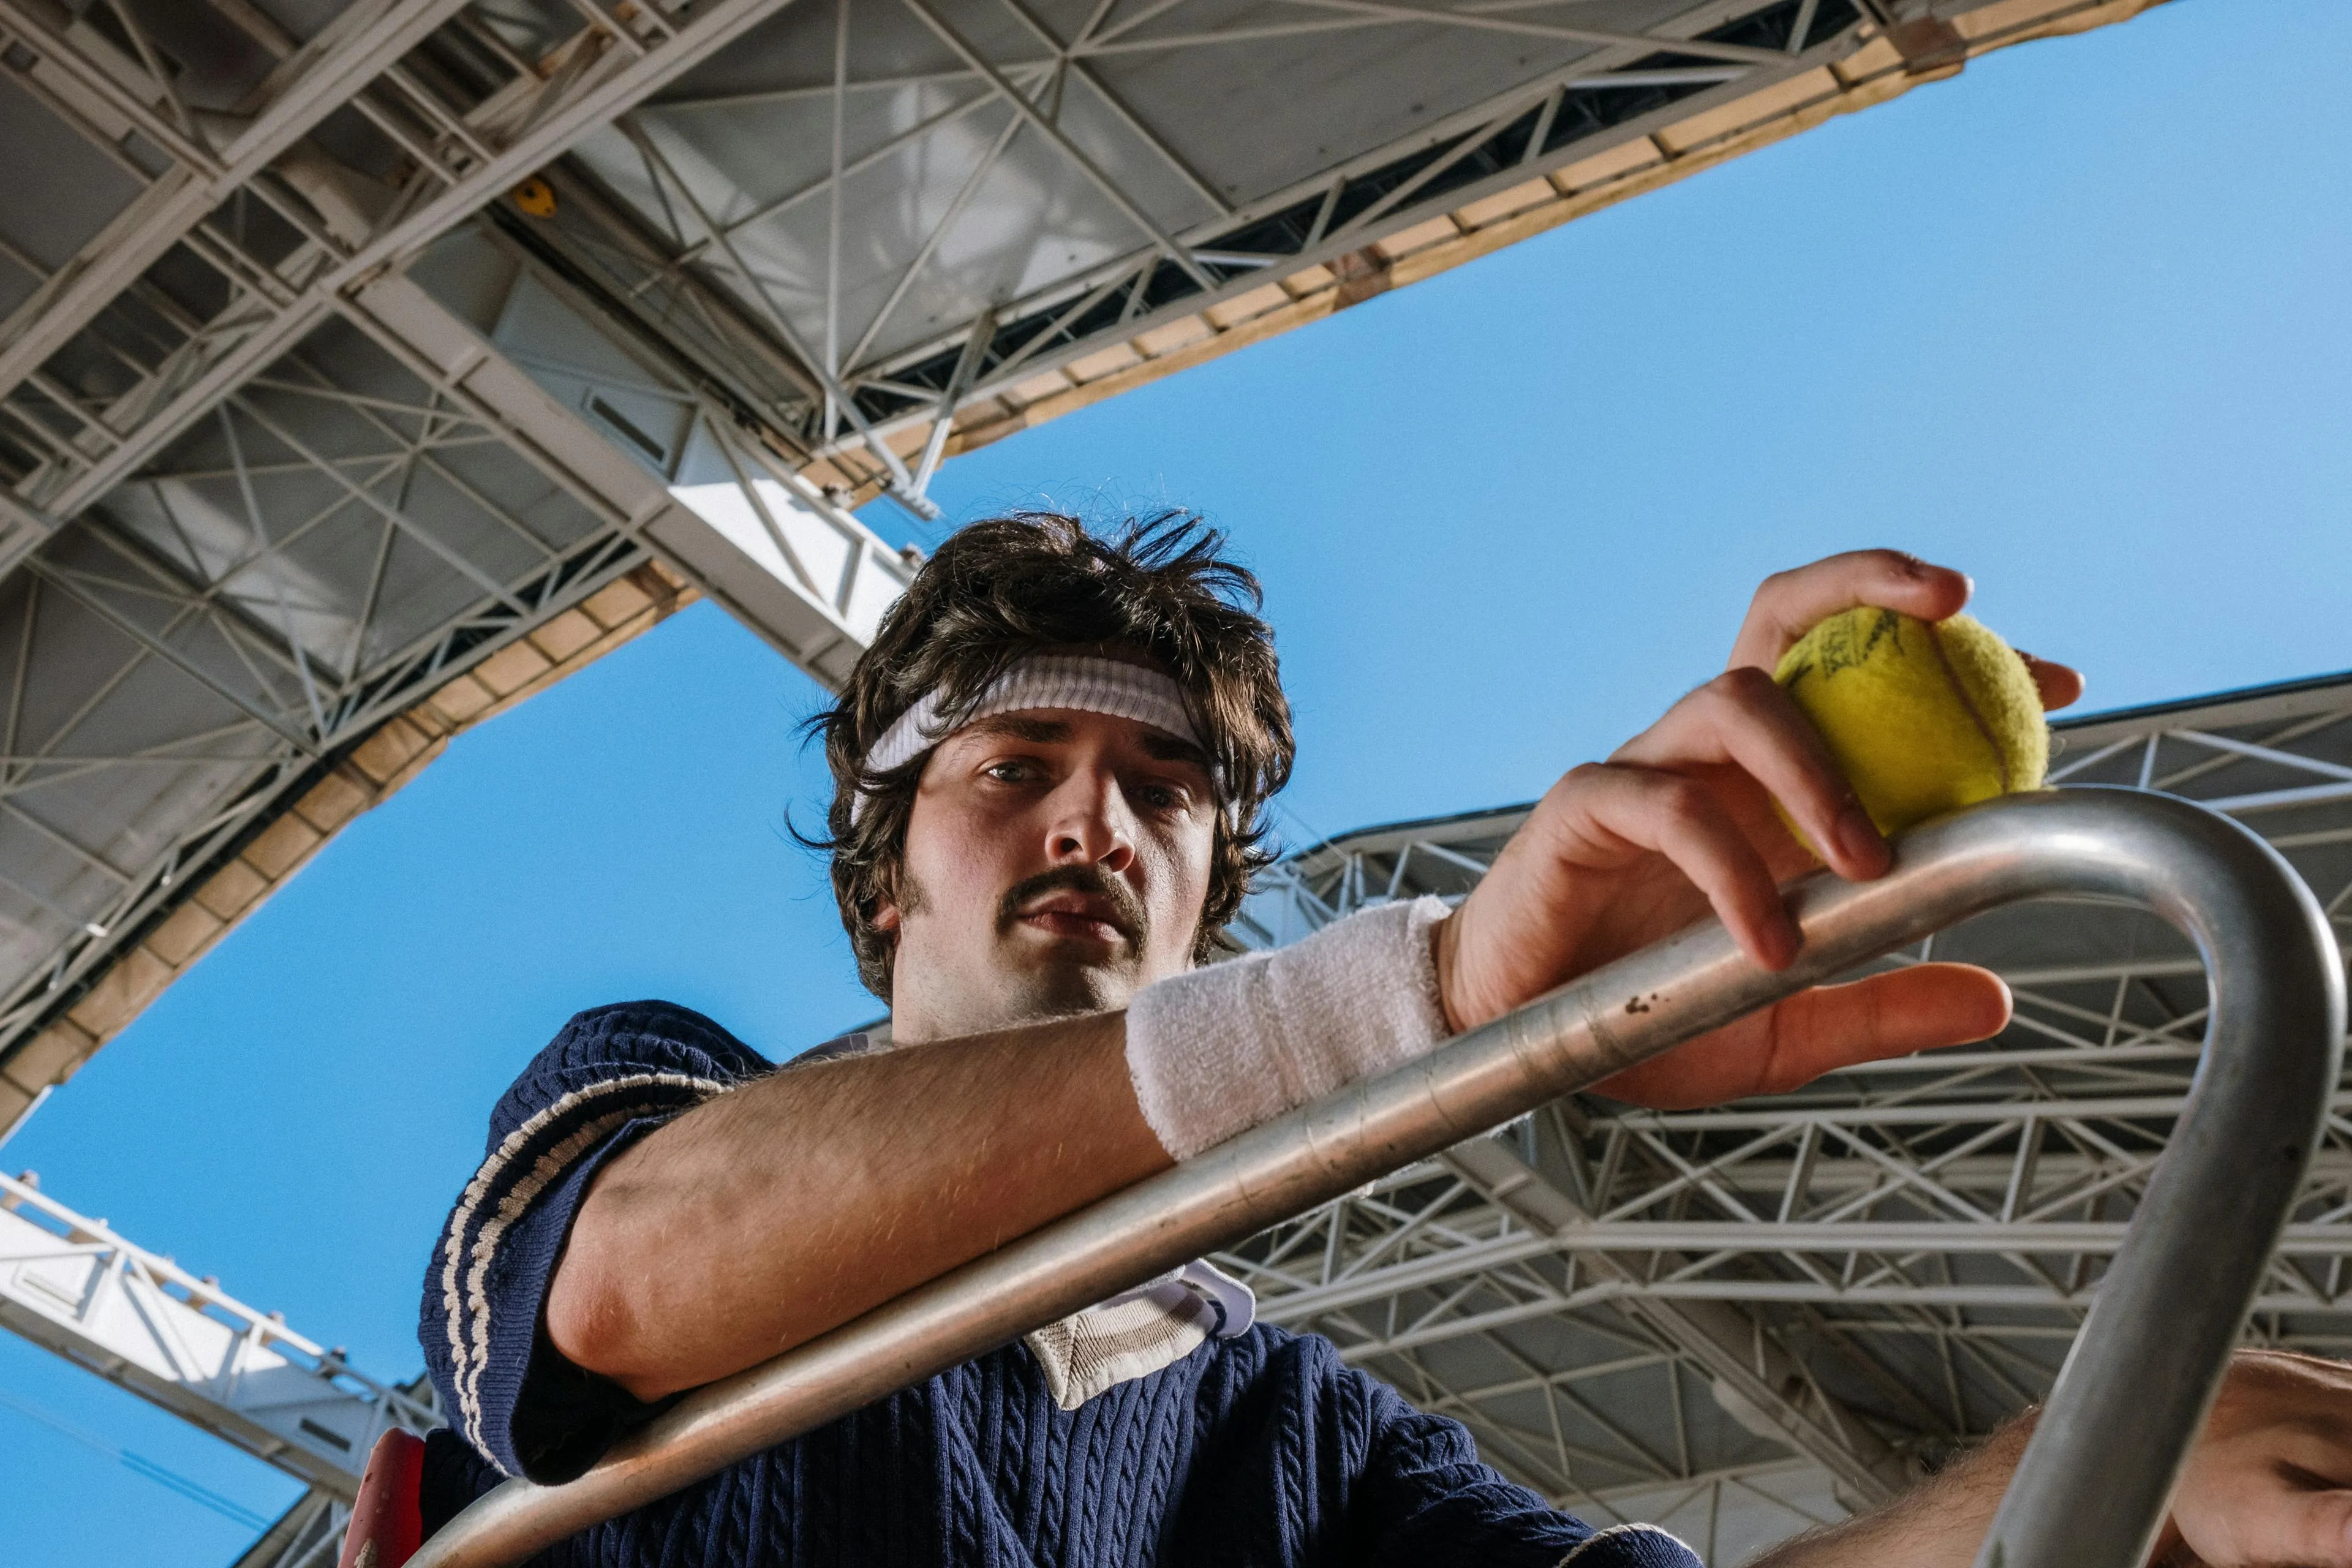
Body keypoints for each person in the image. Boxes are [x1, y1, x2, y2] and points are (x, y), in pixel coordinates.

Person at [417, 514, 2352, 1567]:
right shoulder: (653, 1106)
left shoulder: (1295, 1441)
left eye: (1165, 795)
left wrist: (2113, 1446)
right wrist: (1419, 995)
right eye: (1015, 769)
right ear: (883, 885)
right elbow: (628, 1289)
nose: (1096, 823)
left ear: (1208, 902)